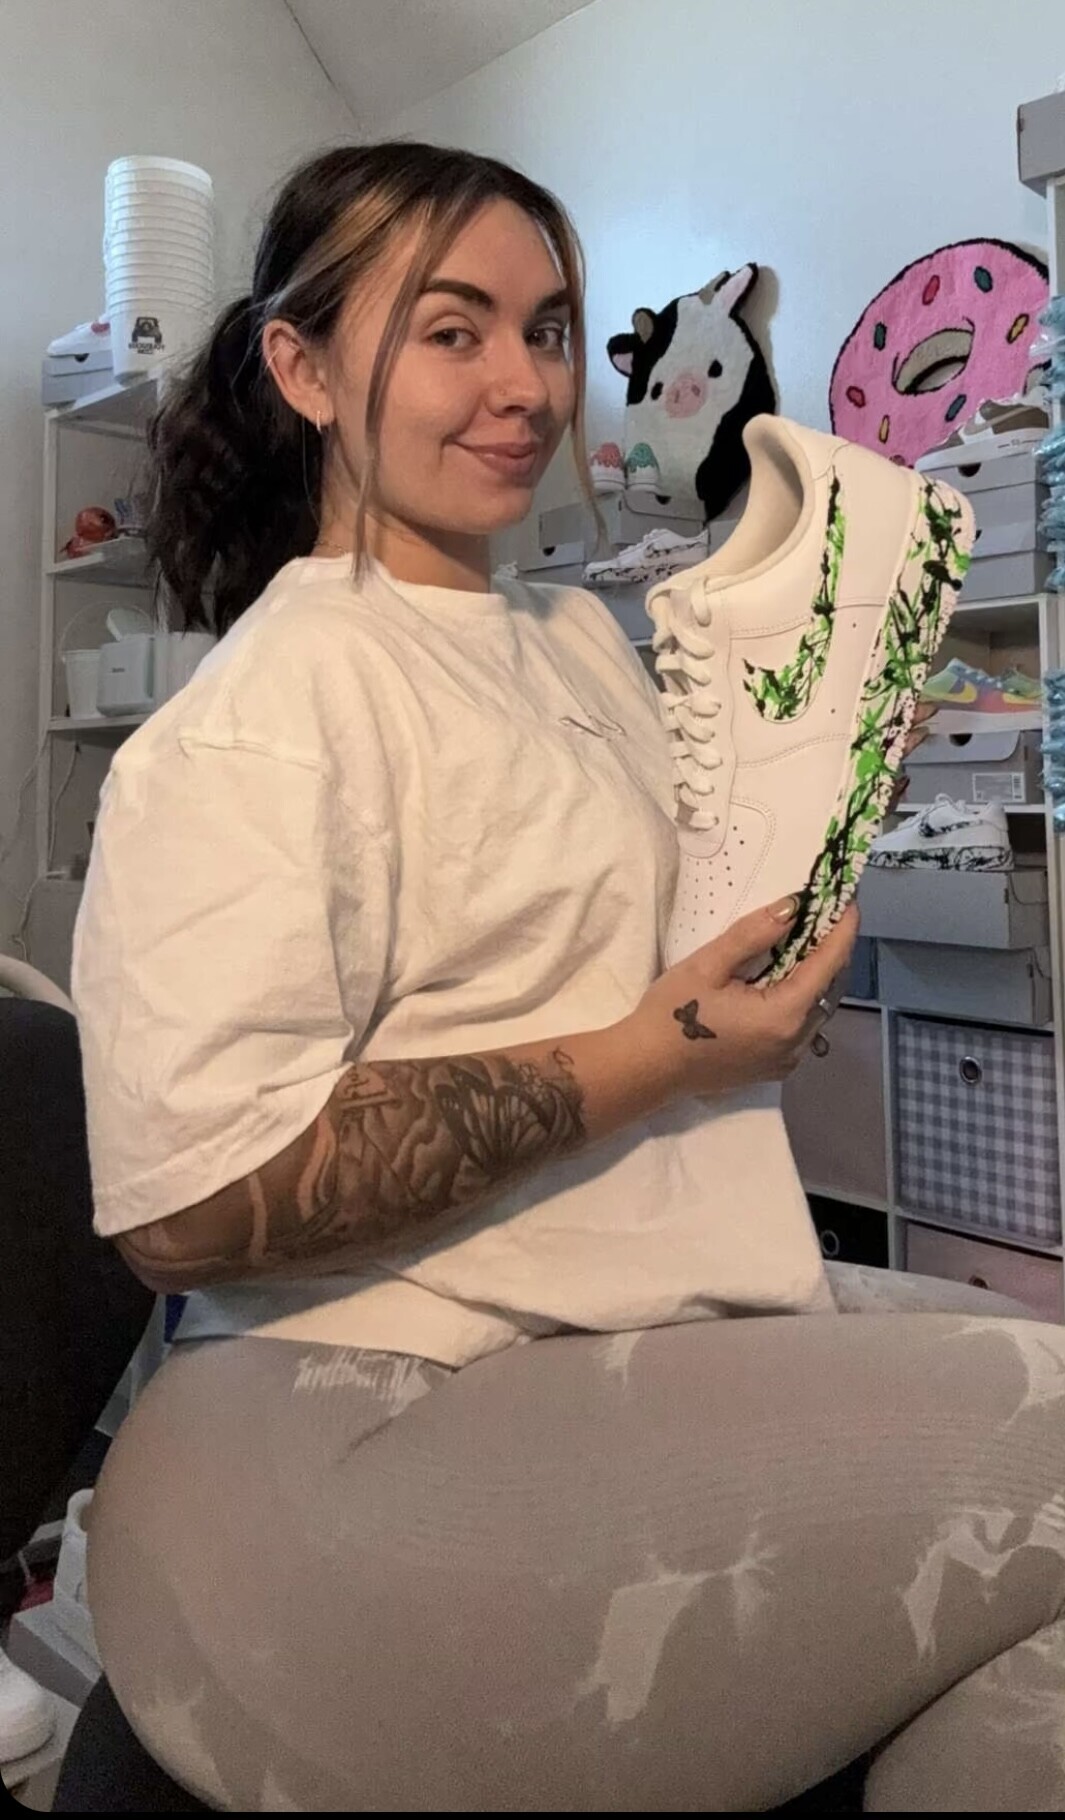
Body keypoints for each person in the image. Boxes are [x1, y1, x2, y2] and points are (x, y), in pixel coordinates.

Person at [72, 143, 1065, 1813]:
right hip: (343, 1438)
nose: (523, 386)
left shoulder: (571, 640)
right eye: (450, 330)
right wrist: (652, 1056)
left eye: (544, 331)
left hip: (625, 1338)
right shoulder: (256, 721)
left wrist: (828, 780)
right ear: (302, 368)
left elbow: (683, 995)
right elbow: (188, 1204)